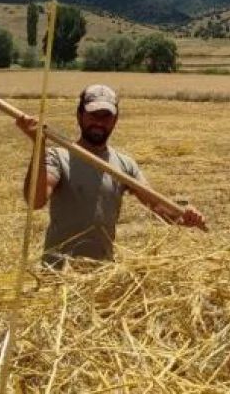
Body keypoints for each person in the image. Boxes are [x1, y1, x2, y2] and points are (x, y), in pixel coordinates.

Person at [15, 83, 205, 269]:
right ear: (79, 116)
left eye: (106, 116)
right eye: (93, 115)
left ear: (115, 120)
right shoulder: (58, 157)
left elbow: (157, 205)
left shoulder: (124, 164)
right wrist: (38, 145)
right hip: (59, 273)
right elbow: (36, 200)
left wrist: (183, 214)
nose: (99, 122)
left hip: (101, 276)